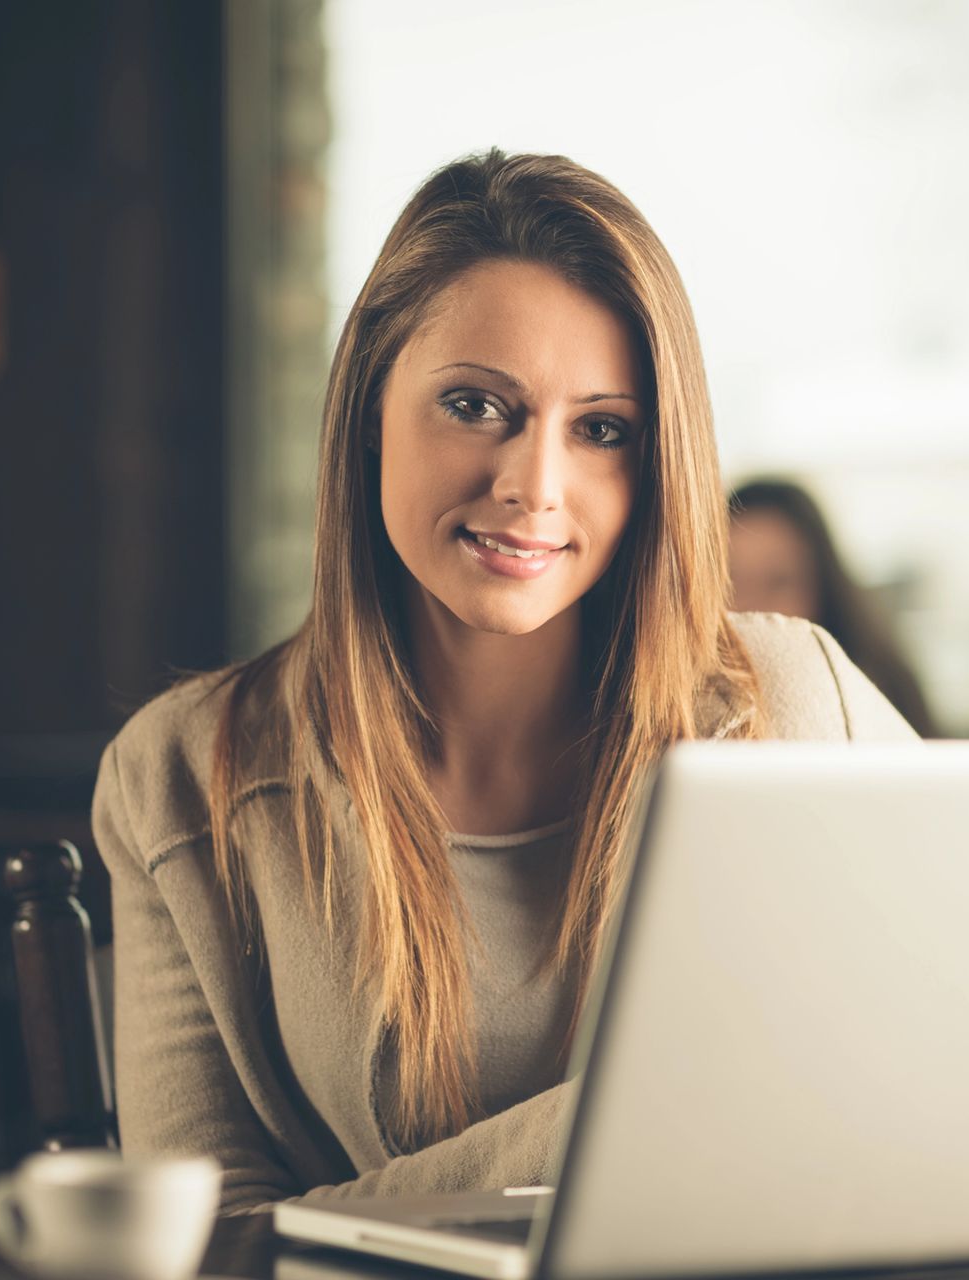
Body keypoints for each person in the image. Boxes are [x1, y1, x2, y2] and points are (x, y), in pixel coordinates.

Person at [92, 150, 915, 1213]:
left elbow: (958, 1071)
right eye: (478, 405)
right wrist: (639, 1118)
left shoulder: (795, 710)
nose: (533, 485)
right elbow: (211, 1246)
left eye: (602, 429)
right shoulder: (180, 774)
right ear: (367, 408)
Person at [728, 479, 940, 737]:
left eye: (778, 582)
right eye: (732, 581)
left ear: (823, 587)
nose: (752, 605)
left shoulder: (876, 696)